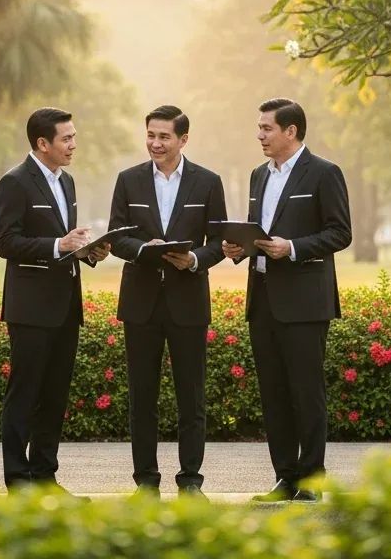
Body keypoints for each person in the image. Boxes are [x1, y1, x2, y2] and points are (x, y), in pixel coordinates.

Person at [222, 98, 351, 502]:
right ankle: (285, 477)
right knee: (273, 394)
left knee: (305, 392)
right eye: (259, 128)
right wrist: (241, 247)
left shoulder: (325, 173)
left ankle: (312, 478)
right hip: (262, 301)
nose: (259, 135)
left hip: (305, 304)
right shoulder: (259, 175)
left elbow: (340, 233)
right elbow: (260, 232)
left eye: (266, 128)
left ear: (290, 131)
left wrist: (292, 247)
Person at [108, 105, 227, 496]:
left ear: (183, 139)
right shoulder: (128, 181)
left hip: (188, 301)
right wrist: (145, 250)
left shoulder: (208, 182)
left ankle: (191, 481)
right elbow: (116, 237)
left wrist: (194, 259)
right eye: (151, 136)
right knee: (142, 398)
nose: (155, 144)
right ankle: (145, 482)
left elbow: (220, 243)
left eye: (164, 137)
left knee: (191, 397)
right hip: (140, 302)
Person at [0, 108, 110, 492]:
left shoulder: (68, 182)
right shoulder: (14, 182)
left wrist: (86, 250)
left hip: (65, 305)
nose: (73, 144)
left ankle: (45, 477)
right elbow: (6, 242)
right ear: (42, 143)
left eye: (74, 137)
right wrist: (59, 244)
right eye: (66, 139)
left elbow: (63, 243)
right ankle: (18, 480)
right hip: (30, 308)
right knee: (25, 394)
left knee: (55, 396)